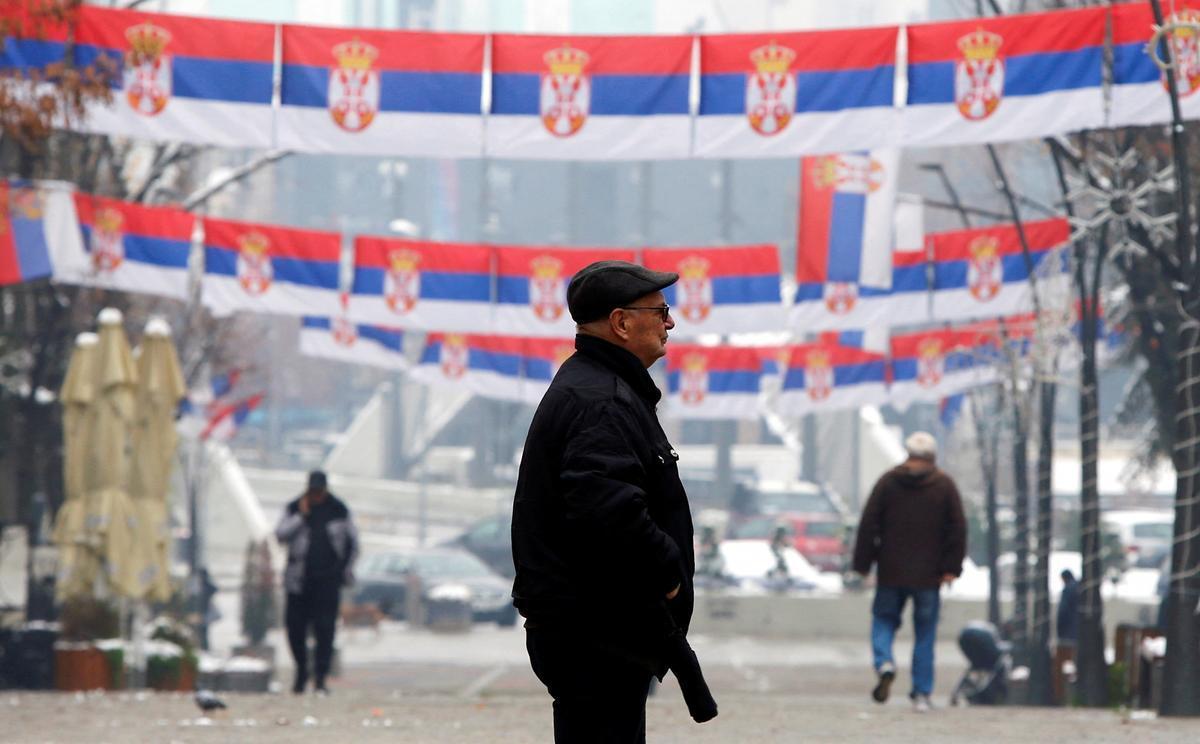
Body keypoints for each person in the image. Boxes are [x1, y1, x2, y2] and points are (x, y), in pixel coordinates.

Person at [511, 260, 717, 743]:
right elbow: (607, 508)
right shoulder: (600, 399)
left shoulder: (596, 386)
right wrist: (668, 575)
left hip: (594, 627)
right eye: (660, 311)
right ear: (622, 323)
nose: (670, 322)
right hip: (597, 631)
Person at [852, 431, 967, 713]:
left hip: (891, 571)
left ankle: (885, 663)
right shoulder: (944, 486)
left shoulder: (888, 483)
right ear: (932, 456)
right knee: (925, 634)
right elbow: (958, 529)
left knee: (883, 620)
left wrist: (862, 565)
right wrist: (951, 568)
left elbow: (869, 524)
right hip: (929, 576)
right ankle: (921, 694)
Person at [275, 470, 359, 695]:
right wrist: (301, 517)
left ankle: (320, 678)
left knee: (326, 631)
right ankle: (301, 673)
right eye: (313, 491)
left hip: (328, 582)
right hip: (298, 583)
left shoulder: (339, 510)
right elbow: (280, 535)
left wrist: (345, 571)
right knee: (295, 630)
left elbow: (353, 543)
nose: (316, 496)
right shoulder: (294, 508)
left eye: (319, 491)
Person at [1057, 569, 1080, 645]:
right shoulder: (1078, 586)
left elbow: (1063, 609)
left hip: (1068, 625)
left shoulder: (1068, 589)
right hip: (1078, 625)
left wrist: (1060, 626)